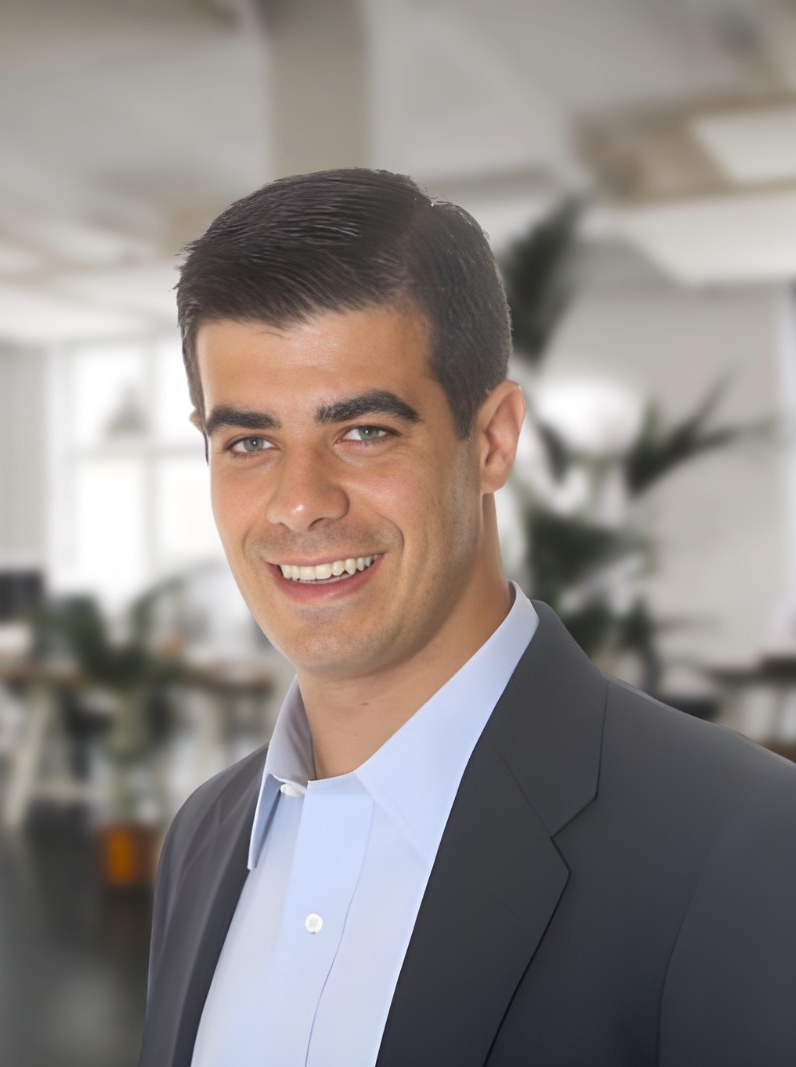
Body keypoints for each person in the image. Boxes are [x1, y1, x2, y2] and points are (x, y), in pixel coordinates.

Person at [139, 168, 796, 1067]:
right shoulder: (203, 838)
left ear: (491, 441)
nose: (299, 504)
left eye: (364, 431)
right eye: (249, 442)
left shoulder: (736, 838)